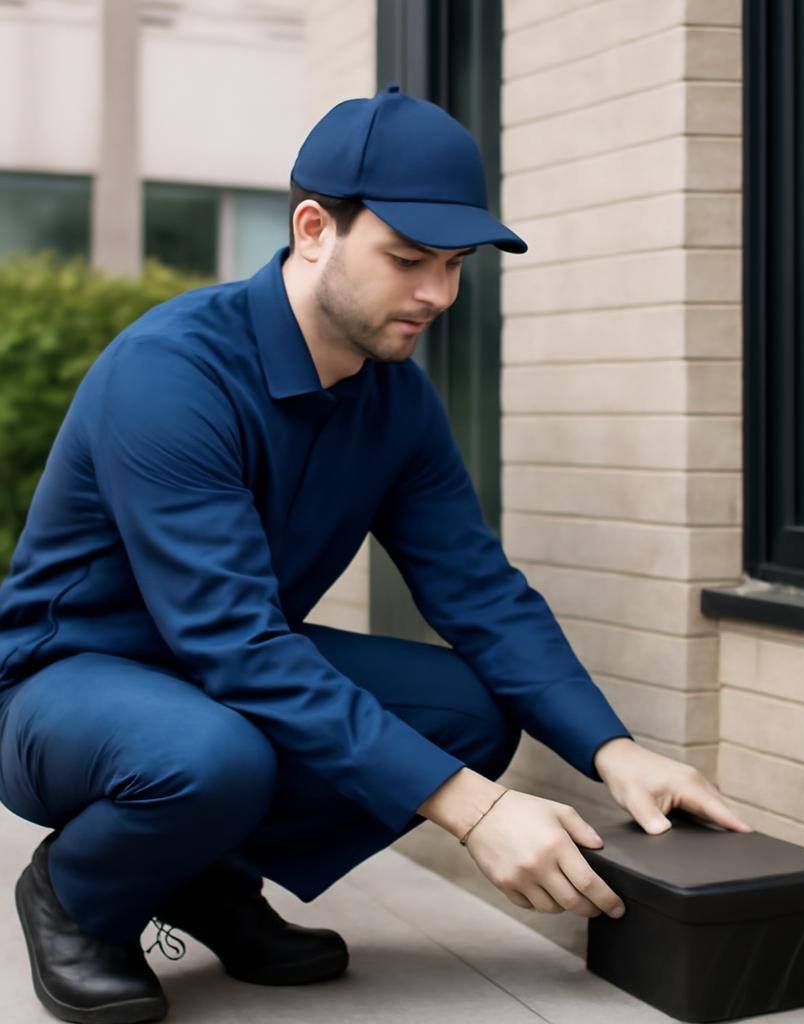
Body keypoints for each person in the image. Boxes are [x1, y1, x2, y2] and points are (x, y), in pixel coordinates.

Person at [0, 83, 752, 1024]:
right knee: (211, 753)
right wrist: (476, 814)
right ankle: (75, 896)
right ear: (314, 228)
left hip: (216, 672)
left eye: (455, 264)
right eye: (406, 261)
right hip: (64, 683)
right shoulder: (171, 375)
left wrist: (611, 750)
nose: (436, 294)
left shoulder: (395, 397)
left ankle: (203, 876)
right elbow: (237, 645)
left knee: (469, 712)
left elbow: (477, 588)